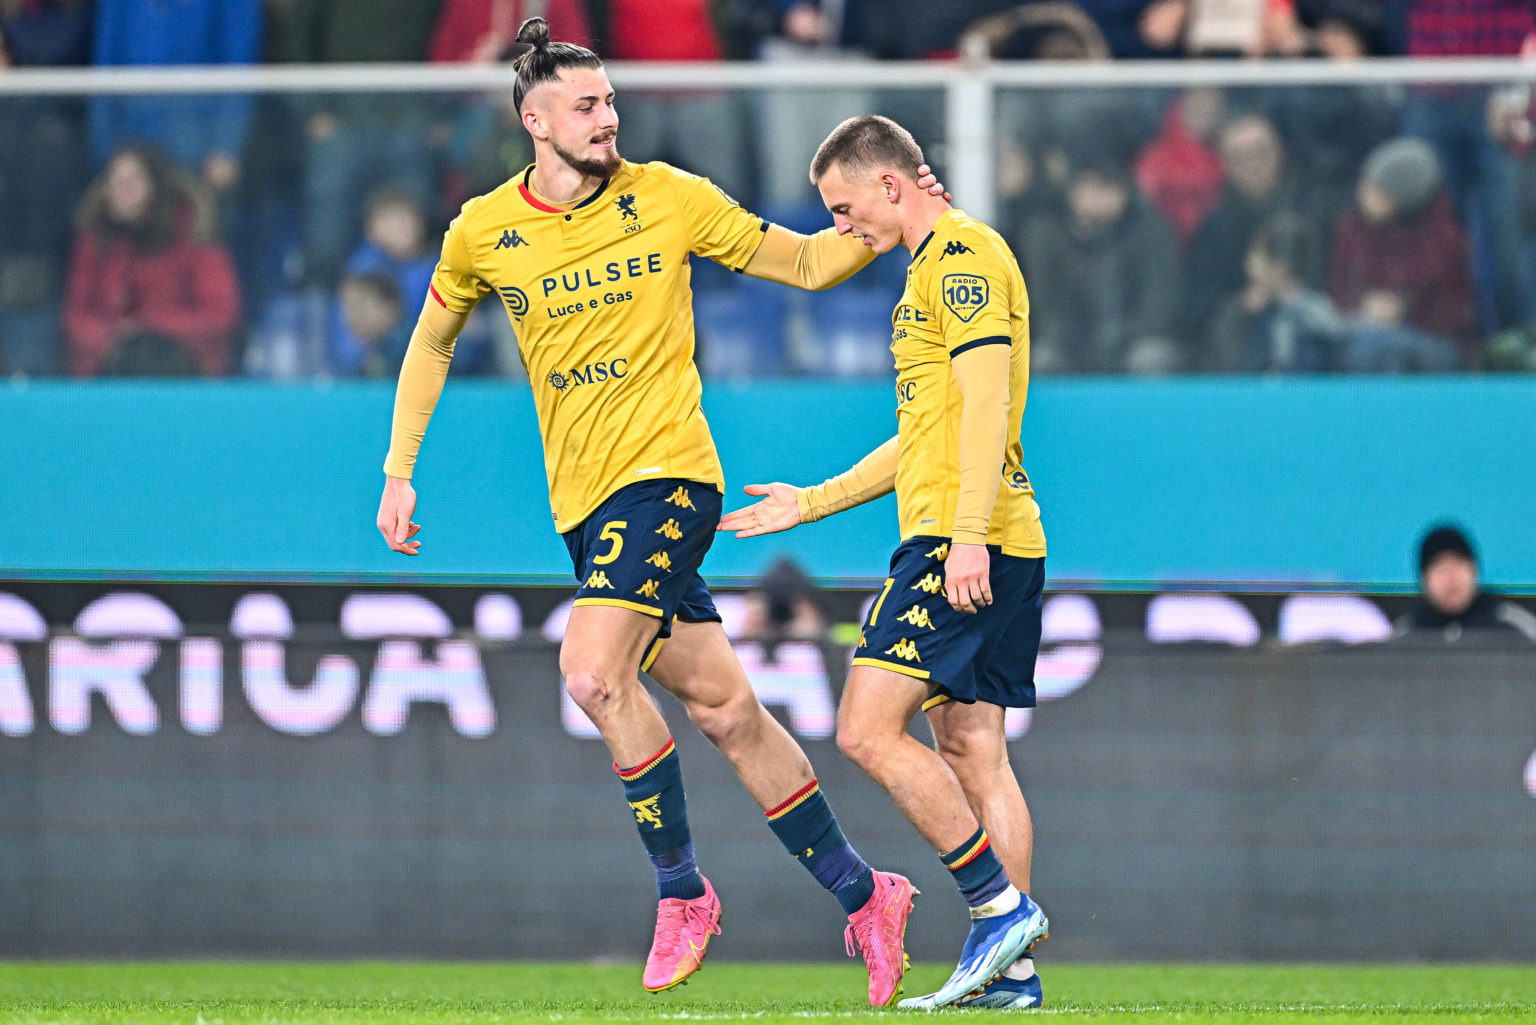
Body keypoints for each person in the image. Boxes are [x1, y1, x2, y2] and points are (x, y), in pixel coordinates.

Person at [374, 18, 952, 1005]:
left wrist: (897, 220)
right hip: (585, 506)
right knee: (727, 709)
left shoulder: (669, 196)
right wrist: (399, 468)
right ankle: (866, 890)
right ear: (535, 117)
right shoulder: (481, 230)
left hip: (672, 478)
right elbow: (431, 343)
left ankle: (682, 889)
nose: (611, 117)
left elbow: (803, 264)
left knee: (592, 672)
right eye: (590, 104)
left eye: (611, 101)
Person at [720, 114, 1051, 1010]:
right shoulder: (928, 273)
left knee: (866, 727)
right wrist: (812, 500)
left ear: (891, 185)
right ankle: (1010, 977)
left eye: (843, 205)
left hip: (962, 536)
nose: (840, 226)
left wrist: (969, 533)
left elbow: (986, 407)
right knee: (975, 749)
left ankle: (997, 908)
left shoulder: (964, 260)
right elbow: (924, 432)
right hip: (985, 531)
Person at [63, 144, 242, 377]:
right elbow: (75, 318)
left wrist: (148, 327)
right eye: (114, 180)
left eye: (133, 180)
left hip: (183, 374)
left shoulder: (195, 237)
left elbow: (220, 316)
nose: (120, 189)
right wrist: (115, 336)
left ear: (156, 187)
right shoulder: (95, 240)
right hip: (108, 374)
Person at [1392, 526, 1536, 643]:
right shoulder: (1406, 632)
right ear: (1424, 579)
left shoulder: (1509, 622)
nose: (1451, 577)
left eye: (1458, 564)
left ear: (1474, 570)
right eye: (1440, 569)